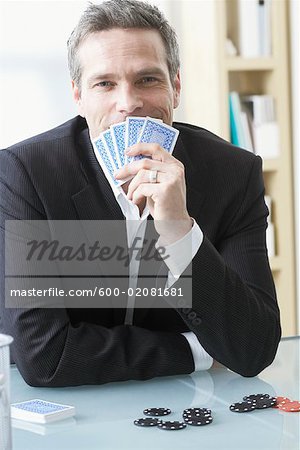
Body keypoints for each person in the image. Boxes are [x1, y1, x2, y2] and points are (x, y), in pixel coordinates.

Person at [0, 0, 281, 387]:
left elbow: (254, 349)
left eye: (147, 79)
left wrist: (179, 231)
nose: (129, 103)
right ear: (78, 95)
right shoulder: (25, 174)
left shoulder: (233, 174)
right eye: (105, 83)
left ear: (176, 86)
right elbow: (45, 356)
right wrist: (196, 350)